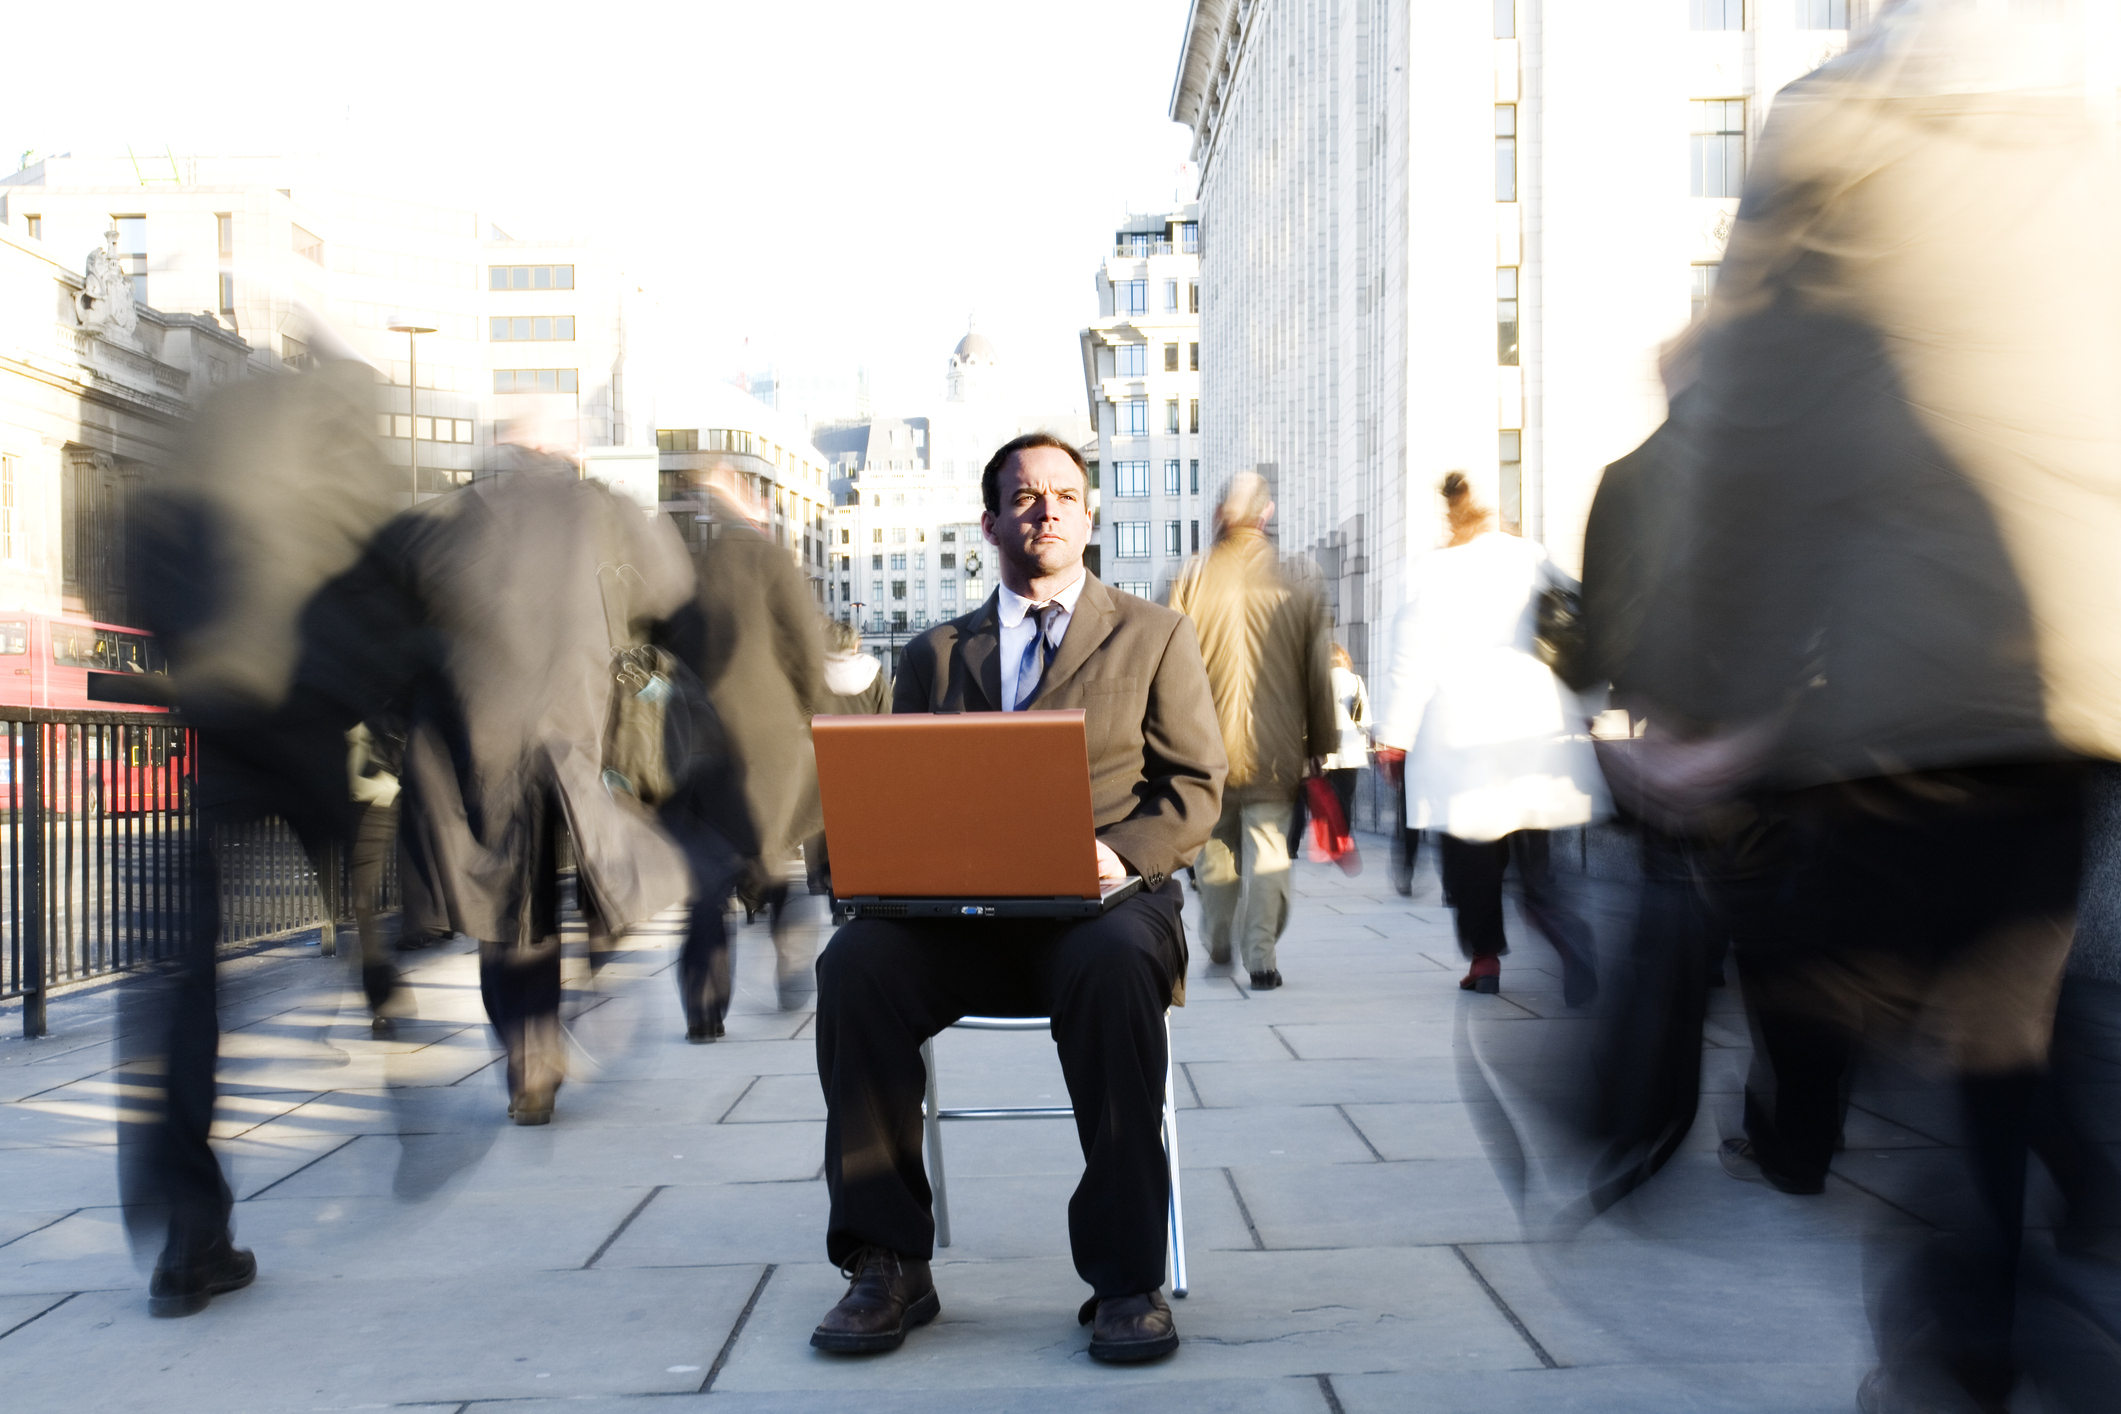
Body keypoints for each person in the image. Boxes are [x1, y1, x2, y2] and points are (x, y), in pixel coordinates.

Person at [808, 432, 1225, 1364]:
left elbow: (1194, 786)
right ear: (990, 520)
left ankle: (1126, 1279)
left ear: (1088, 514)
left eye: (1065, 495)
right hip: (965, 922)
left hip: (1104, 913)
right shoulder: (933, 654)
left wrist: (1117, 859)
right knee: (857, 965)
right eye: (1025, 496)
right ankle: (887, 1264)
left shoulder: (1152, 633)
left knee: (1117, 968)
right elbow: (898, 795)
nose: (1046, 510)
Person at [382, 437, 694, 1123]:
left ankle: (530, 1057)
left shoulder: (452, 516)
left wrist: (404, 729)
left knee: (510, 913)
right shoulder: (598, 511)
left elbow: (393, 637)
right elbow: (671, 592)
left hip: (484, 740)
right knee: (575, 885)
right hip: (575, 731)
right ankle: (557, 1021)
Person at [1372, 472, 1603, 1000]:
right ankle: (1568, 938)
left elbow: (1412, 662)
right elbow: (1575, 633)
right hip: (1533, 734)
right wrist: (1587, 708)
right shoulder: (1534, 560)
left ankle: (1485, 960)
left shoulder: (1435, 571)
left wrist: (1396, 737)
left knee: (1472, 864)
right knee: (1535, 860)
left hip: (1462, 743)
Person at [660, 463, 825, 1032]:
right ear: (752, 507)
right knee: (770, 852)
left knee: (706, 878)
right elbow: (804, 645)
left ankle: (704, 1007)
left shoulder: (689, 567)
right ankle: (790, 946)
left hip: (697, 735)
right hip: (767, 736)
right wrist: (811, 712)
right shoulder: (771, 559)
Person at [1169, 472, 1336, 991]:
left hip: (1206, 749)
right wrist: (1322, 744)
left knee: (1215, 849)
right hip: (1276, 749)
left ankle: (1218, 938)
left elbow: (1167, 668)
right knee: (1267, 848)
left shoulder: (1192, 576)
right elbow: (1317, 672)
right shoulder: (1298, 577)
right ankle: (1260, 956)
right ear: (1266, 515)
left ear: (1222, 514)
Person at [805, 617, 888, 898]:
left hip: (819, 755)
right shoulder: (872, 673)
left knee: (816, 817)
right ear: (856, 645)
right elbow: (886, 716)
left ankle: (817, 877)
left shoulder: (814, 674)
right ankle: (856, 870)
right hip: (862, 758)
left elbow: (802, 713)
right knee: (858, 817)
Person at [1321, 643, 1370, 833]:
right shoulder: (1356, 681)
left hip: (1326, 748)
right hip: (1351, 750)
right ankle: (1343, 838)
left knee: (1329, 797)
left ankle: (1330, 835)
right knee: (1346, 798)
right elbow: (1364, 721)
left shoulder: (1320, 681)